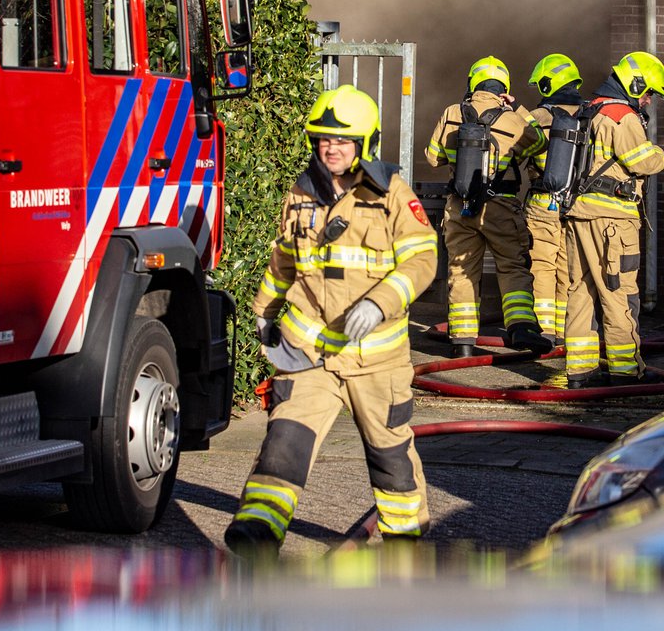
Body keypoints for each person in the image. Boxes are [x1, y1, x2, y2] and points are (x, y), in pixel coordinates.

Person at [224, 85, 438, 556]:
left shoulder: (393, 197)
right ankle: (257, 533)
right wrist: (264, 313)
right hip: (311, 354)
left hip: (375, 361)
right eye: (322, 139)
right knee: (285, 440)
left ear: (365, 144)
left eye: (342, 140)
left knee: (391, 459)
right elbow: (284, 259)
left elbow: (422, 260)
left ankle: (406, 545)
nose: (331, 147)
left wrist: (379, 302)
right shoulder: (301, 193)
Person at [425, 56, 552, 358]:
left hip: (460, 206)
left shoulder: (453, 112)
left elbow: (432, 157)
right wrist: (518, 110)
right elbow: (539, 146)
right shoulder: (512, 120)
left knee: (462, 270)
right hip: (500, 207)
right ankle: (521, 328)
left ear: (472, 83)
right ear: (503, 87)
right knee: (511, 267)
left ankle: (463, 343)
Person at [562, 51, 664, 388]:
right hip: (612, 221)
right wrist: (661, 153)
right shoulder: (622, 117)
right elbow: (642, 162)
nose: (649, 100)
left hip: (579, 215)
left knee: (581, 290)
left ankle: (579, 371)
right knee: (618, 292)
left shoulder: (590, 109)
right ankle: (625, 371)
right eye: (648, 92)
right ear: (636, 84)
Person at [522, 53, 584, 343]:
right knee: (567, 268)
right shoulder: (590, 117)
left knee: (541, 265)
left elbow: (516, 151)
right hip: (578, 204)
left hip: (543, 203)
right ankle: (565, 329)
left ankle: (544, 332)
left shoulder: (539, 118)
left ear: (548, 84)